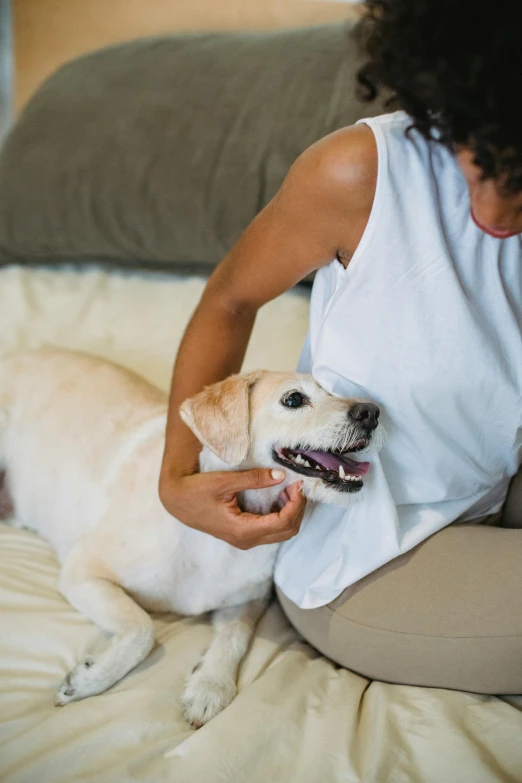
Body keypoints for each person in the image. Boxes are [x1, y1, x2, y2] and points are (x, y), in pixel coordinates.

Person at [159, 0, 522, 694]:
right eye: (484, 158)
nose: (498, 213)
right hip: (368, 547)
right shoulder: (358, 174)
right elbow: (228, 300)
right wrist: (177, 479)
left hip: (495, 482)